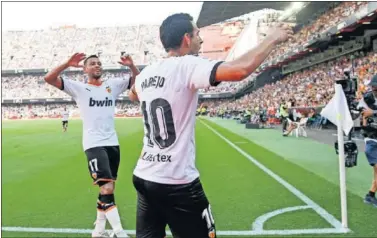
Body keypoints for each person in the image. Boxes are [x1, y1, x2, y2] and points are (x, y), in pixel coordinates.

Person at [128, 13, 293, 238]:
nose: (201, 39)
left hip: (145, 175)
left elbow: (133, 96)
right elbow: (240, 69)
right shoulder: (187, 64)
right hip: (177, 181)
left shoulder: (146, 72)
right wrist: (272, 38)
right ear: (186, 38)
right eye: (197, 34)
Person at [44, 53, 139, 237]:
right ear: (85, 69)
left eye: (99, 63)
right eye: (92, 64)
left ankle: (98, 231)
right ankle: (120, 233)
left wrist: (132, 66)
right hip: (93, 144)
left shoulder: (112, 85)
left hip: (112, 143)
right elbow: (49, 78)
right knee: (106, 187)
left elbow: (137, 81)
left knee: (108, 188)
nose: (97, 66)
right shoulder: (78, 88)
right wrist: (67, 63)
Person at [358, 74, 377, 207]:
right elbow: (362, 117)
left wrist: (374, 113)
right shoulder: (367, 98)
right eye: (373, 86)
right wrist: (365, 116)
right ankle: (370, 195)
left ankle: (370, 195)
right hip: (372, 139)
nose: (374, 88)